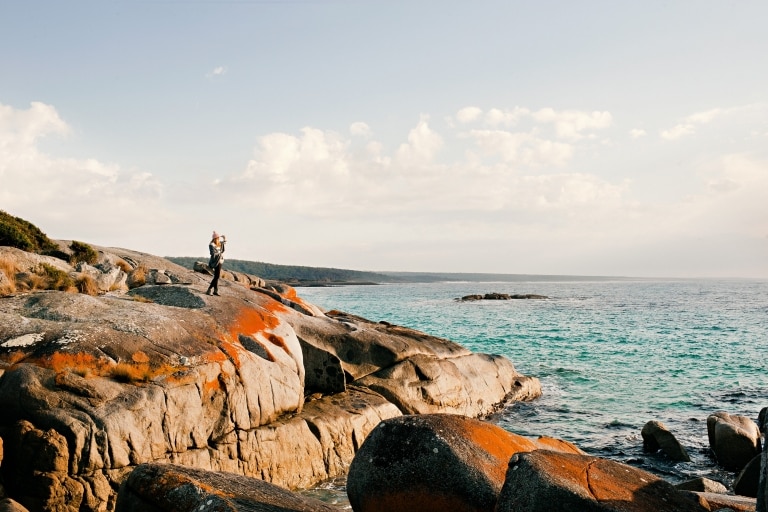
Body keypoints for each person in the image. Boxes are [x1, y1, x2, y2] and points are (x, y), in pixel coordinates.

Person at [206, 231, 225, 296]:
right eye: (218, 238)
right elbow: (212, 253)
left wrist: (224, 239)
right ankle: (209, 289)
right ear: (215, 238)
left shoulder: (219, 244)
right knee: (217, 276)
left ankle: (215, 290)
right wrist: (218, 254)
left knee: (216, 276)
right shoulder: (211, 245)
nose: (219, 239)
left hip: (220, 261)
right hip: (215, 261)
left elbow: (222, 250)